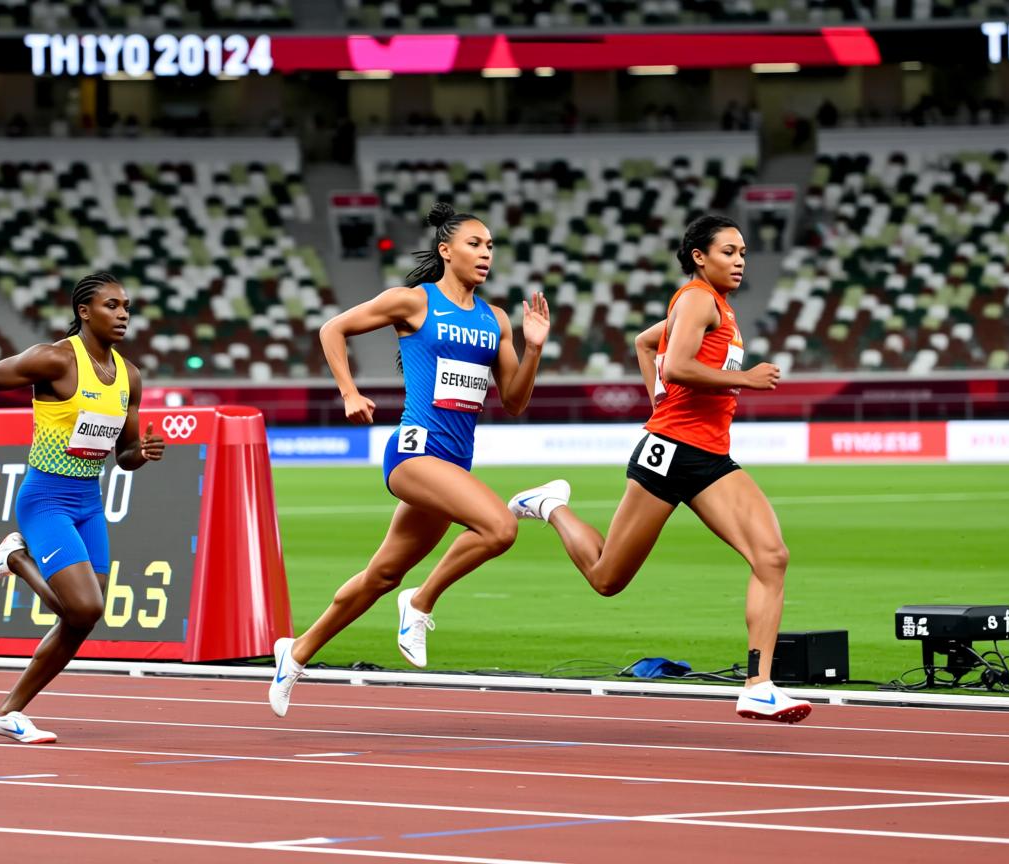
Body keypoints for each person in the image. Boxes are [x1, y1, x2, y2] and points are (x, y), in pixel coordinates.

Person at [507, 215, 811, 723]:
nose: (740, 261)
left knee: (771, 555)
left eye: (742, 253)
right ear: (700, 256)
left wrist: (656, 398)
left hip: (709, 455)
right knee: (607, 579)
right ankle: (550, 506)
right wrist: (747, 380)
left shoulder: (720, 308)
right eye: (729, 252)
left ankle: (759, 684)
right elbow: (676, 364)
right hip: (669, 452)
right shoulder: (695, 299)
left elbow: (646, 345)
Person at [268, 202, 550, 717]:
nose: (485, 253)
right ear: (446, 251)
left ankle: (297, 652)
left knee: (381, 575)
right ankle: (420, 604)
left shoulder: (497, 320)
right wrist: (349, 393)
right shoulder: (413, 303)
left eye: (490, 246)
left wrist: (532, 350)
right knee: (499, 528)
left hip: (453, 466)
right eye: (474, 244)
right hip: (414, 455)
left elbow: (513, 401)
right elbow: (333, 329)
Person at [0, 272, 164, 743]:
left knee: (83, 619)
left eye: (126, 307)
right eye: (111, 306)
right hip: (46, 498)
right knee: (83, 606)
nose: (122, 315)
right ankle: (13, 557)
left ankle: (7, 712)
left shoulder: (129, 377)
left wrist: (143, 453)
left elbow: (124, 456)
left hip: (87, 503)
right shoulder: (54, 359)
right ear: (85, 312)